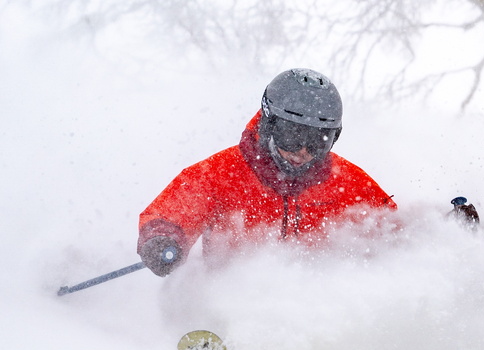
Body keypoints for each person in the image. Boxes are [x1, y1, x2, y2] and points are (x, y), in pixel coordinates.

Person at [137, 68, 400, 276]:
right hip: (233, 298)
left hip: (320, 306)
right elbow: (174, 212)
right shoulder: (221, 174)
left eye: (318, 140)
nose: (303, 151)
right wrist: (163, 239)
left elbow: (392, 229)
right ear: (268, 124)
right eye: (292, 136)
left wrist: (431, 230)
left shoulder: (347, 182)